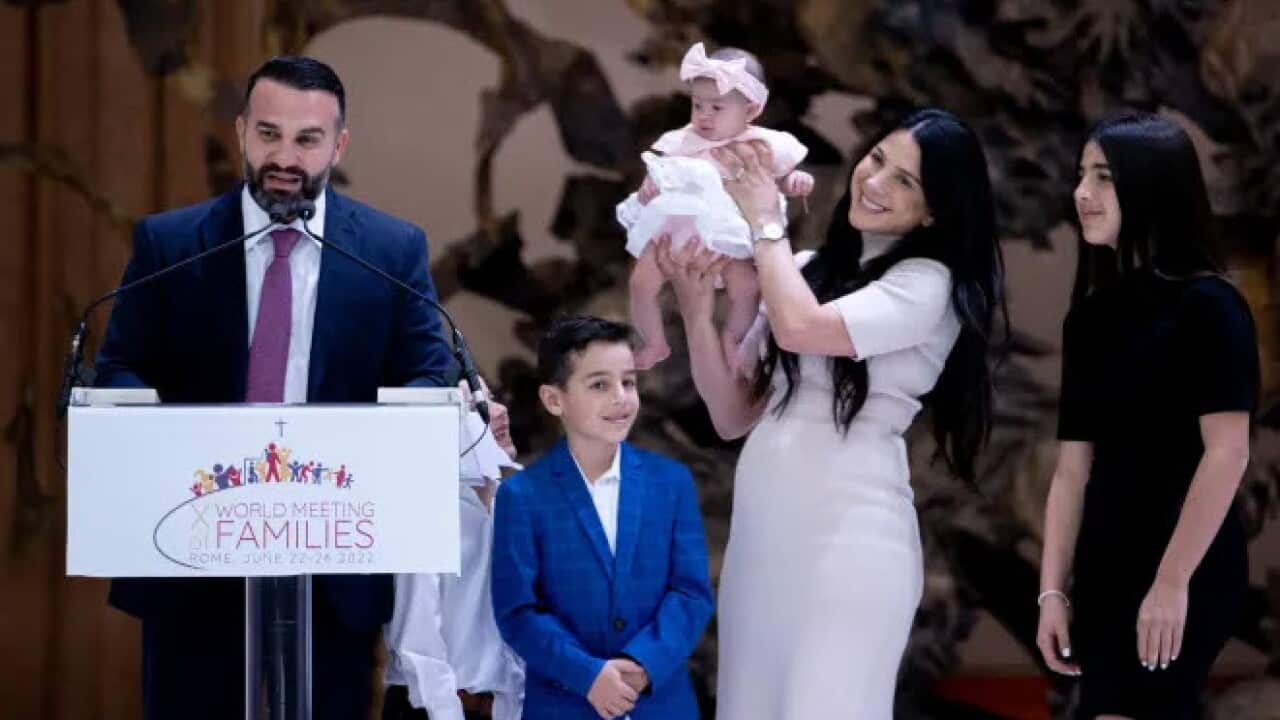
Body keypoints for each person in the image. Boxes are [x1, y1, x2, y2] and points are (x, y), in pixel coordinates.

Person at [94, 55, 454, 718]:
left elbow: (429, 374)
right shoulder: (170, 244)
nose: (284, 157)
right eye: (268, 134)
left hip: (334, 557)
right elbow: (119, 367)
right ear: (241, 132)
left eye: (307, 139)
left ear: (339, 145)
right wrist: (147, 428)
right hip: (193, 545)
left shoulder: (390, 250)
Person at [657, 108, 1006, 718]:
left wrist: (765, 220)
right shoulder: (805, 267)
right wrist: (694, 311)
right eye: (877, 159)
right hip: (762, 539)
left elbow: (800, 327)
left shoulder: (929, 282)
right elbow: (733, 414)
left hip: (849, 542)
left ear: (934, 211)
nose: (875, 182)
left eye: (905, 181)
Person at [1036, 112, 1258, 720]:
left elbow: (1228, 452)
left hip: (1186, 563)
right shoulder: (1090, 319)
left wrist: (1171, 581)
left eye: (1103, 177)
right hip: (1105, 563)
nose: (1082, 193)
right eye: (1081, 174)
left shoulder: (1209, 304)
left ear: (1155, 185)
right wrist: (1051, 591)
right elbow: (1072, 471)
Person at [490, 316, 714, 719]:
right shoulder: (521, 496)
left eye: (628, 382)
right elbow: (517, 611)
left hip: (660, 703)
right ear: (554, 399)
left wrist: (643, 664)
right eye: (599, 385)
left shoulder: (671, 483)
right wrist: (588, 675)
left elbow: (691, 593)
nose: (621, 398)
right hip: (564, 705)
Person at [616, 42, 813, 370]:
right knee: (640, 283)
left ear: (750, 111)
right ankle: (654, 342)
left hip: (728, 230)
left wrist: (794, 182)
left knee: (746, 288)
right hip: (677, 225)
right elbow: (661, 169)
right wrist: (650, 185)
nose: (703, 115)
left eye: (717, 108)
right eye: (697, 105)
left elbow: (778, 179)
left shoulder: (763, 143)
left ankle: (734, 340)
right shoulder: (683, 140)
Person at [383, 392, 525, 720]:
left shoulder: (514, 508)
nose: (498, 411)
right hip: (433, 708)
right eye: (471, 407)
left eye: (490, 398)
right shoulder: (428, 514)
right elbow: (417, 643)